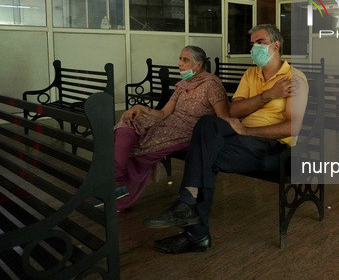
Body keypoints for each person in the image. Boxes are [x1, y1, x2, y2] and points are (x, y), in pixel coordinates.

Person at [143, 24, 308, 253]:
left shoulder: (294, 78)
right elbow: (232, 111)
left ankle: (195, 227)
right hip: (242, 138)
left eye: (259, 42)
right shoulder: (251, 74)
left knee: (203, 153)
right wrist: (268, 95)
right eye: (252, 44)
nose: (253, 48)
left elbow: (293, 127)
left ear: (276, 45)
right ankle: (189, 208)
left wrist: (249, 131)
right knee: (207, 124)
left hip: (273, 148)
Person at [104, 46, 229, 212]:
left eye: (185, 60)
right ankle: (117, 180)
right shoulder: (183, 85)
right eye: (180, 59)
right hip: (170, 123)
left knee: (142, 148)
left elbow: (222, 117)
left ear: (198, 65)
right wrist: (140, 109)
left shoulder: (211, 85)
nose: (179, 63)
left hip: (190, 131)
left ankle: (119, 197)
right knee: (130, 121)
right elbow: (163, 113)